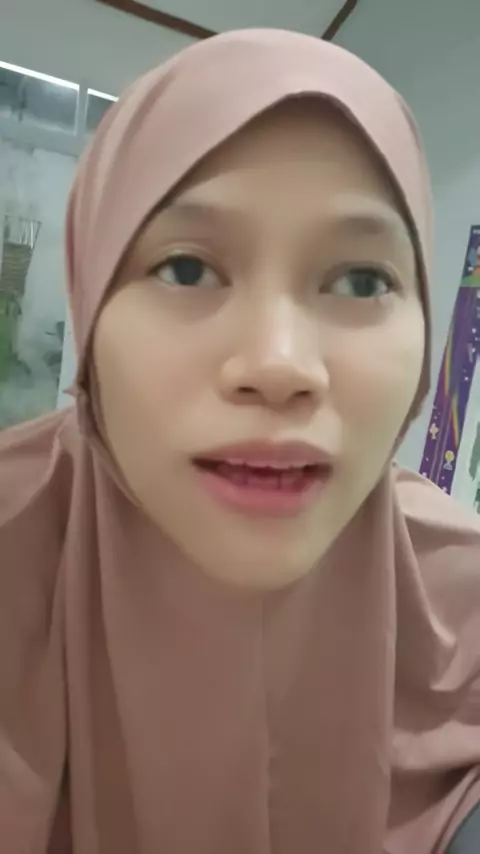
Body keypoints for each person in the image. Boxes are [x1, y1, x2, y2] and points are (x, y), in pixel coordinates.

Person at [1, 28, 479, 854]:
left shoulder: (463, 602)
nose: (278, 366)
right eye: (186, 268)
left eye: (361, 280)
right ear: (91, 301)